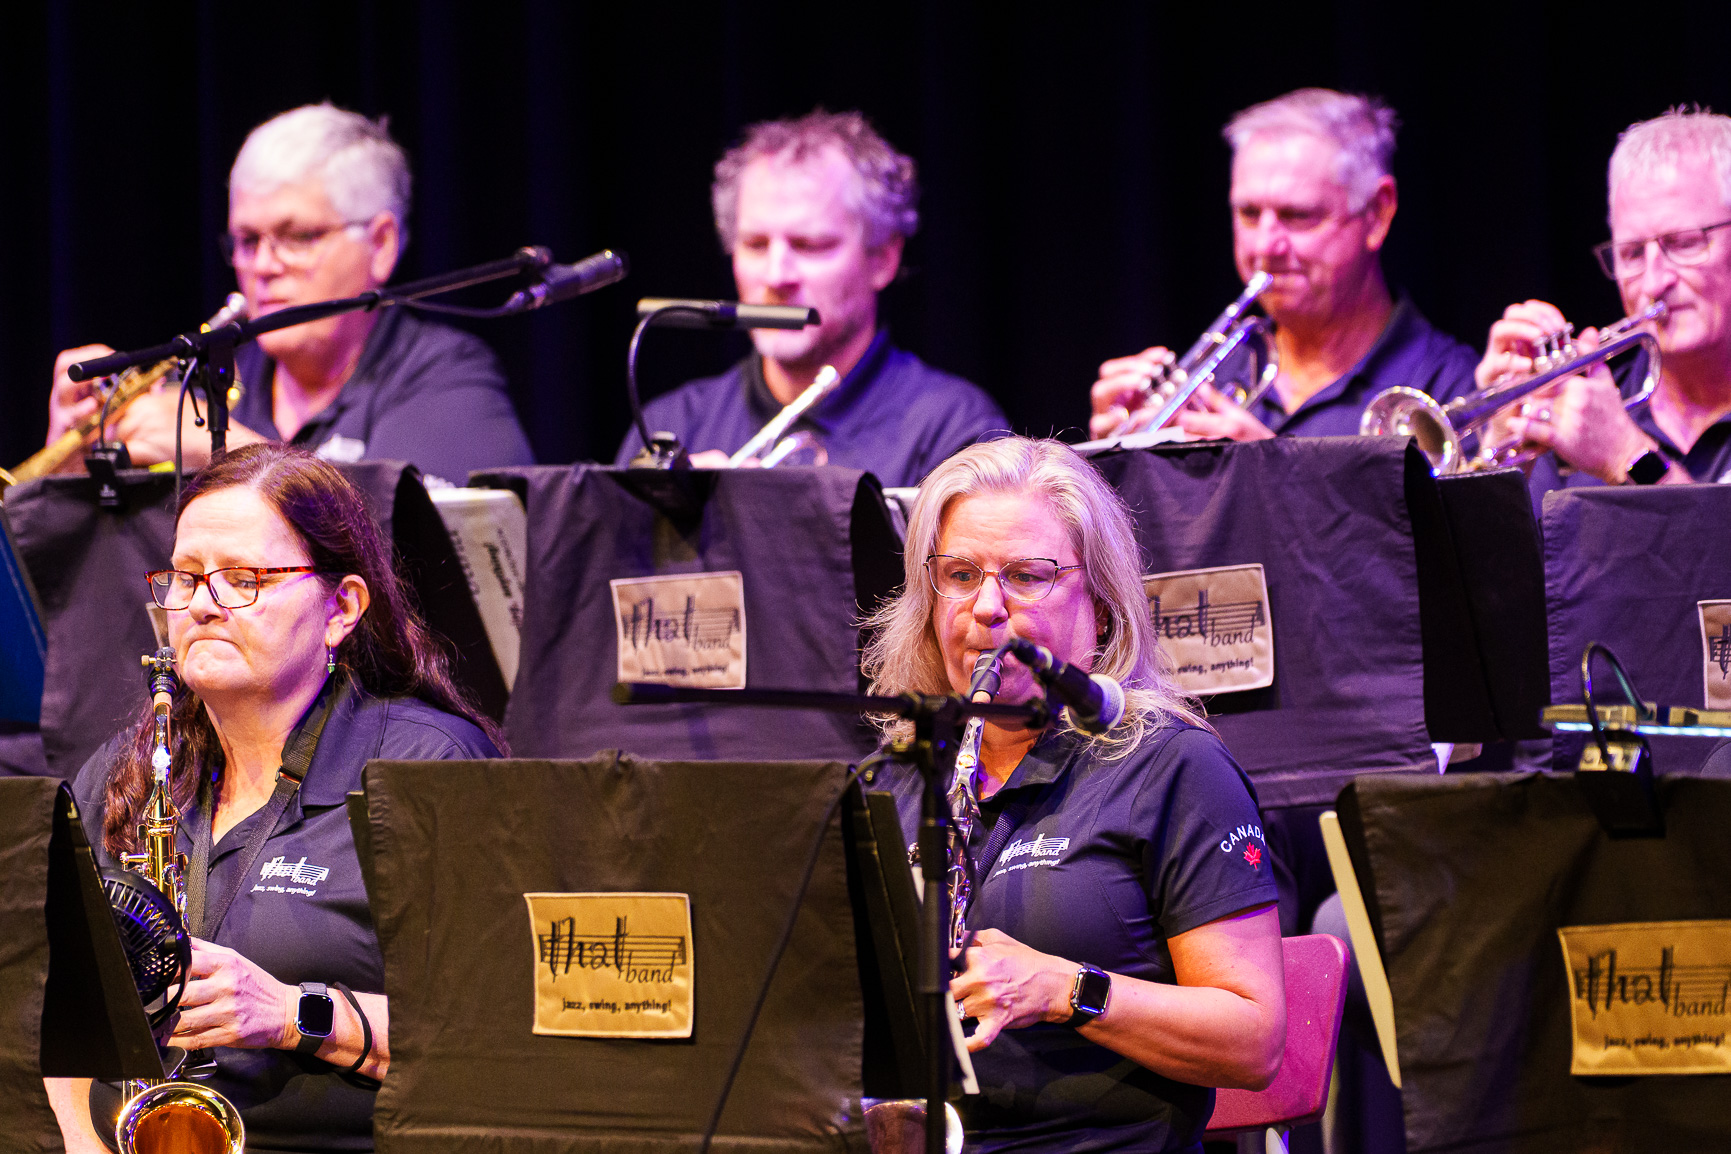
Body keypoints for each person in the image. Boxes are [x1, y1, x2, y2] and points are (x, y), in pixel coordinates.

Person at [45, 443, 503, 1152]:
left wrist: (292, 1013)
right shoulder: (123, 772)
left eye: (243, 579)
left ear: (341, 608)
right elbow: (54, 1009)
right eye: (187, 577)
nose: (202, 605)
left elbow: (499, 1036)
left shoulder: (428, 766)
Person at [860, 436, 1284, 1152]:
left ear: (1102, 605)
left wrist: (1065, 989)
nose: (986, 607)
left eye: (1027, 576)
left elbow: (1254, 1041)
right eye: (959, 575)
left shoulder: (1172, 768)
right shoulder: (892, 776)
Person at [46, 103, 535, 487]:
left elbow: (422, 539)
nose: (262, 266)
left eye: (298, 237)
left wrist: (223, 451)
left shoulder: (447, 374)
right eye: (247, 241)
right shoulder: (208, 387)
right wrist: (68, 473)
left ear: (381, 244)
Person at [614, 109, 1006, 486]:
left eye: (809, 245)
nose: (776, 276)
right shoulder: (674, 425)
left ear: (883, 259)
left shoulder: (952, 431)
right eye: (755, 244)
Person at [1090, 88, 1478, 443]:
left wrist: (1272, 469)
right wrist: (1117, 461)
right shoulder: (1209, 384)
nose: (1265, 246)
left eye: (1297, 215)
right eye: (1249, 213)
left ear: (1376, 213)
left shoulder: (1451, 386)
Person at [1480, 108, 1731, 490]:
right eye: (1632, 253)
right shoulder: (1582, 416)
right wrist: (1499, 444)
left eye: (1683, 243)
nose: (1653, 282)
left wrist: (1628, 456)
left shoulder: (1605, 434)